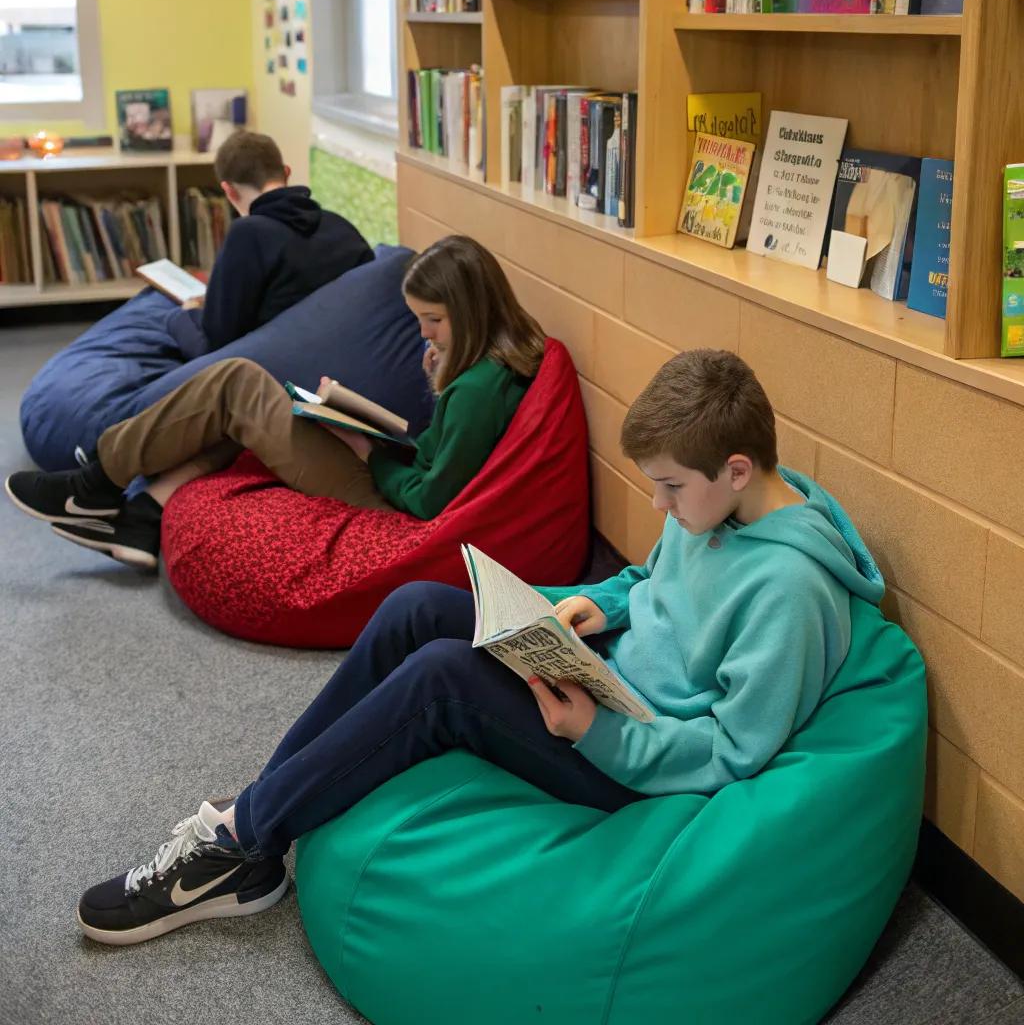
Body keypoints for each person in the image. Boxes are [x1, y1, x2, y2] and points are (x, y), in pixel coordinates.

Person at [68, 348, 885, 946]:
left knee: (443, 681)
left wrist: (593, 730)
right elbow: (647, 579)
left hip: (642, 769)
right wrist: (590, 607)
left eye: (671, 488)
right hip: (605, 687)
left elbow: (734, 754)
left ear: (739, 470)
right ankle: (258, 807)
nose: (662, 508)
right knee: (416, 604)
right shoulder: (723, 510)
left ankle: (238, 850)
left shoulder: (791, 593)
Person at [5, 236, 545, 572]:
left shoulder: (478, 389)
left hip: (388, 505)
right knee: (237, 401)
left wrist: (367, 450)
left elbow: (429, 501)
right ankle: (141, 517)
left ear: (471, 308)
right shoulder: (485, 365)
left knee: (235, 385)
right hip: (390, 474)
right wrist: (375, 416)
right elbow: (436, 450)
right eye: (419, 321)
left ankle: (96, 482)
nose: (424, 335)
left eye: (434, 322)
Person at [167, 128, 374, 358]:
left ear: (229, 191)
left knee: (169, 313)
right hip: (351, 353)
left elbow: (216, 346)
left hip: (284, 367)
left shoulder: (248, 234)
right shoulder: (340, 226)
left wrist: (182, 316)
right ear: (286, 173)